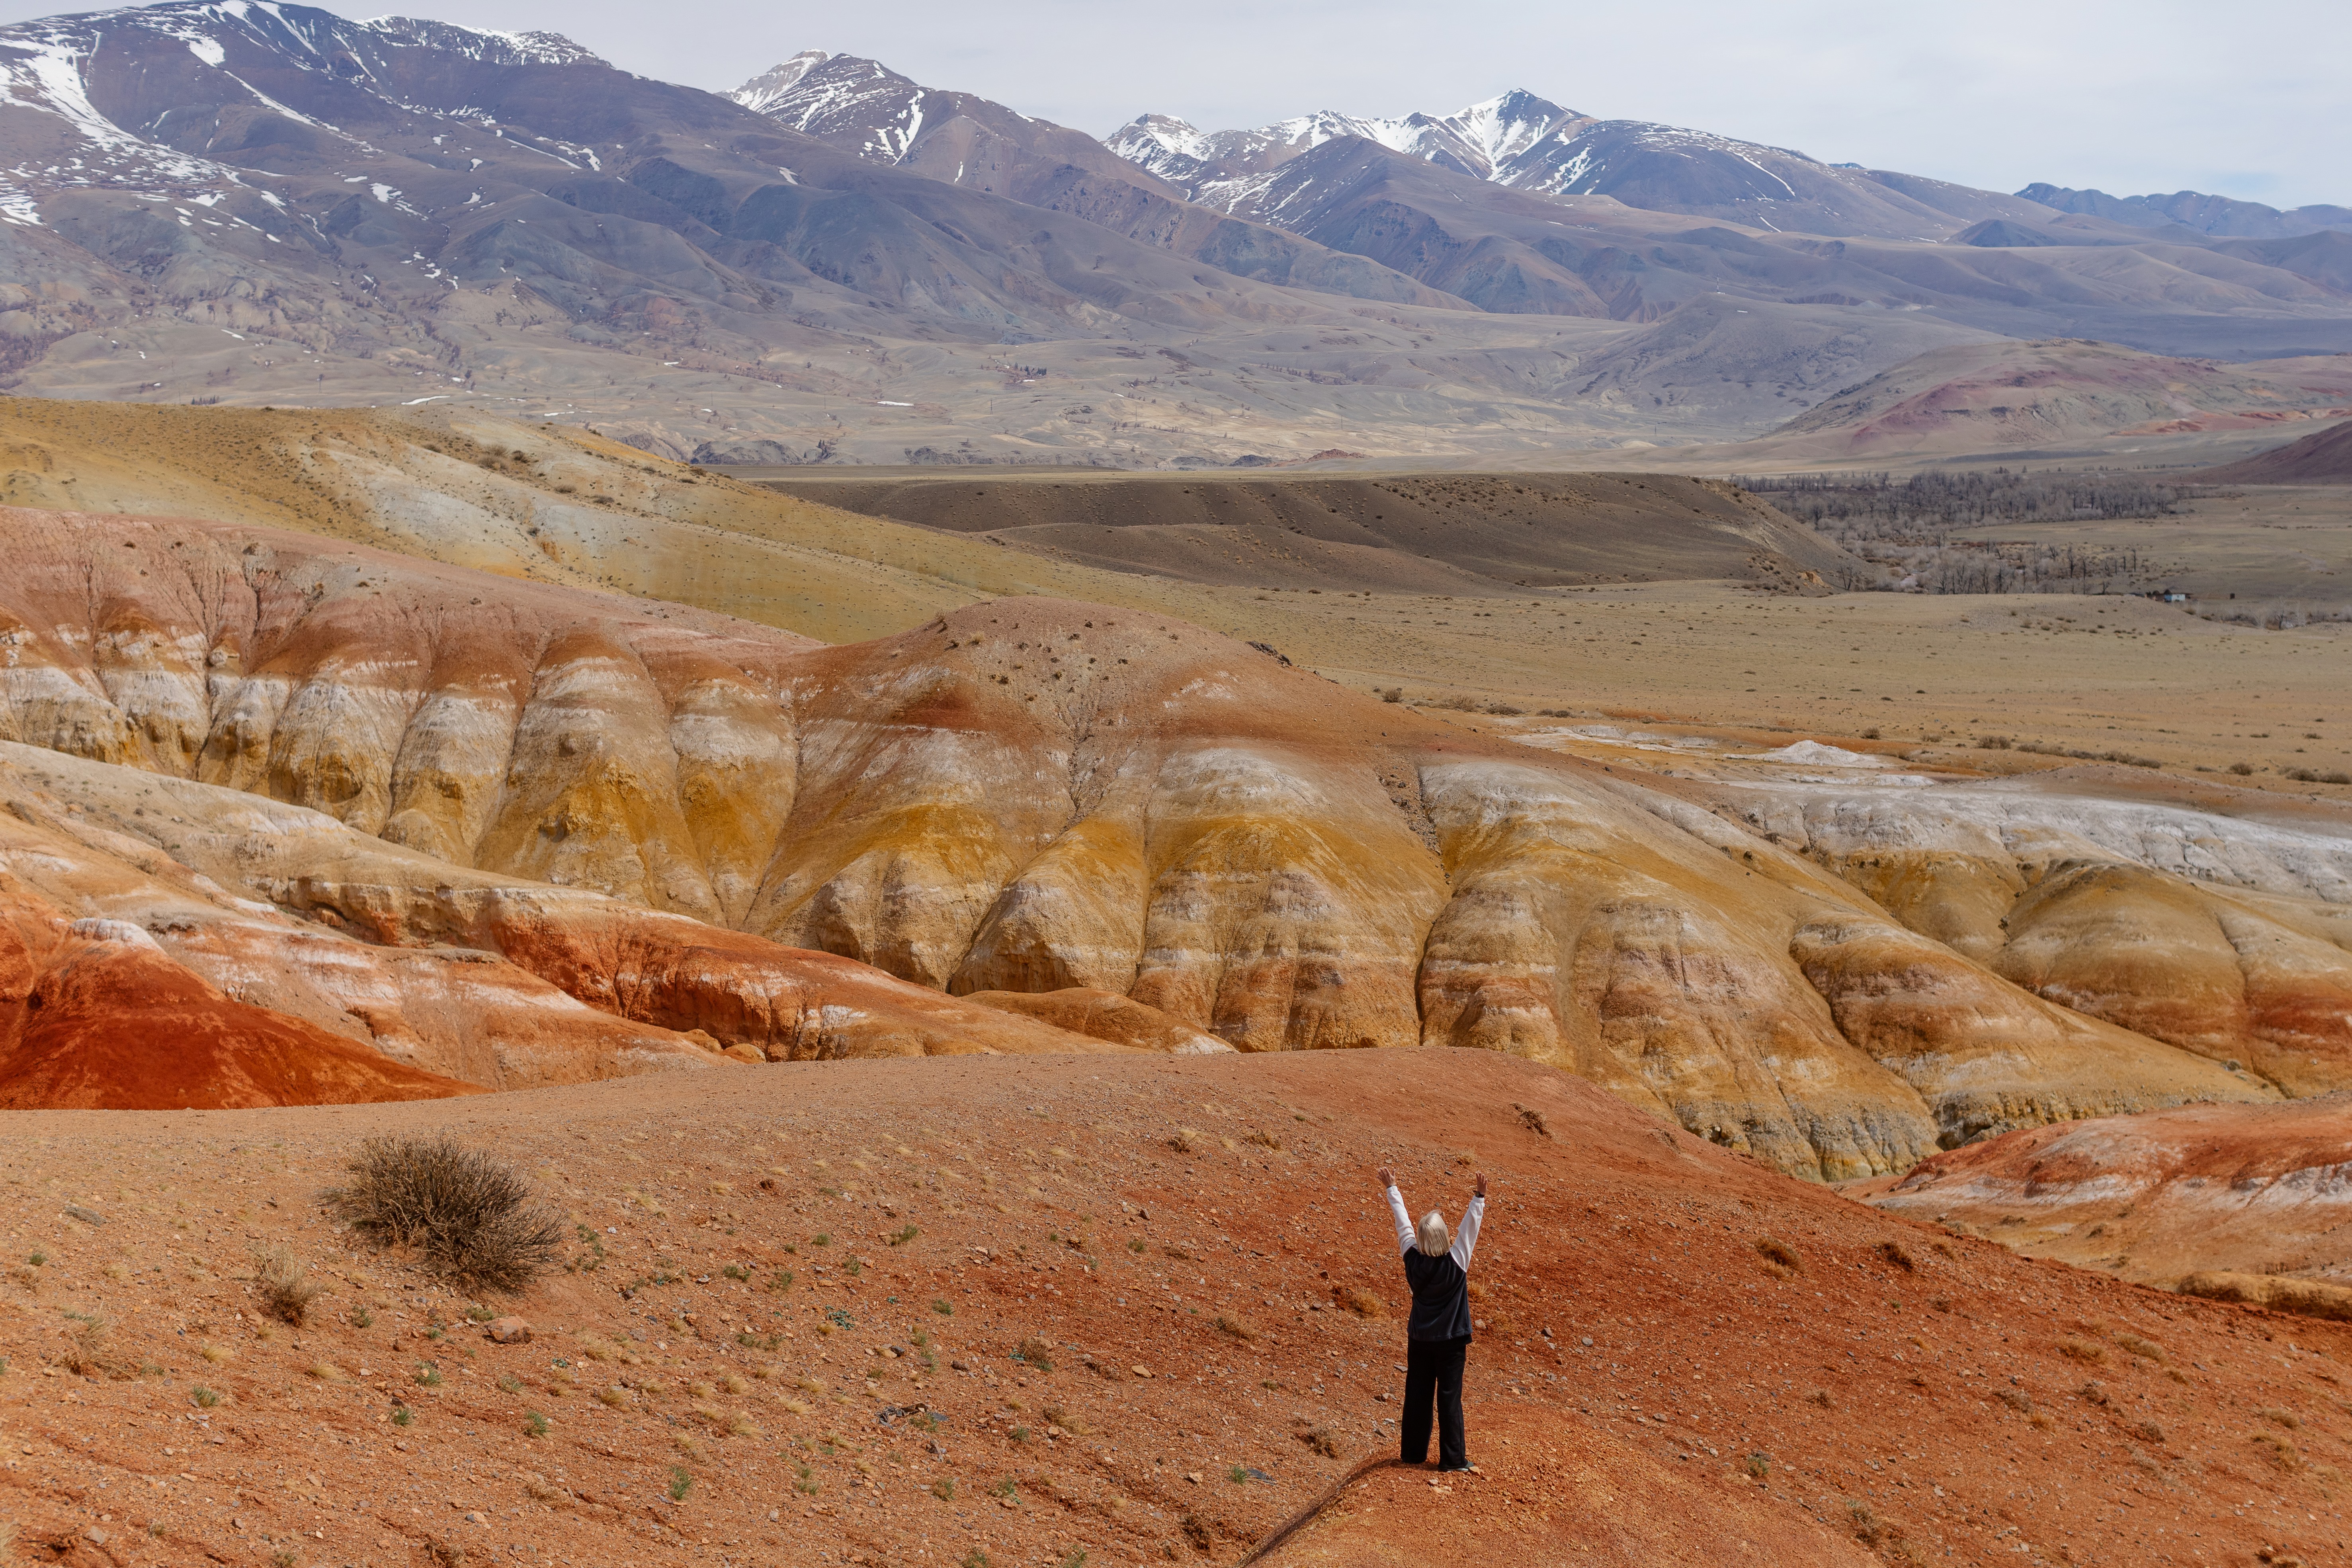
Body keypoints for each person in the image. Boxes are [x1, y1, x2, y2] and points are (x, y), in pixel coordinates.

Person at [1379, 1164, 1486, 1473]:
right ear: (1444, 1237)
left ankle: (1413, 1453)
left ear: (1423, 1239)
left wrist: (1392, 1188)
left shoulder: (1412, 1260)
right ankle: (1453, 1460)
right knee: (1449, 1399)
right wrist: (1478, 1197)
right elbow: (1470, 1229)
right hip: (1451, 1343)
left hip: (1420, 1341)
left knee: (1417, 1395)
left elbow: (1403, 1226)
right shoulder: (1456, 1262)